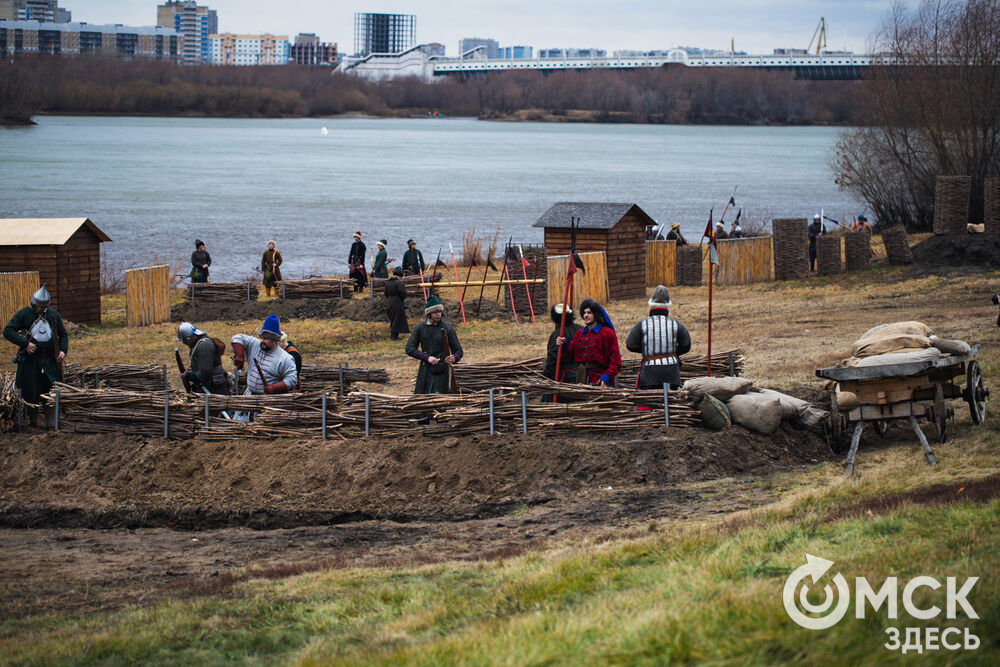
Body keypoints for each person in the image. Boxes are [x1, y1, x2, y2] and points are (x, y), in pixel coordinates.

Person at [3, 286, 67, 427]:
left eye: (41, 306)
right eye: (37, 305)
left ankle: (51, 424)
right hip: (30, 362)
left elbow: (62, 335)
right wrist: (25, 344)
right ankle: (33, 423)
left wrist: (62, 351)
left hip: (49, 361)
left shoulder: (53, 315)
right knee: (30, 391)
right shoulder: (24, 314)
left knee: (49, 390)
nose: (38, 308)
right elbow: (8, 331)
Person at [625, 285, 692, 389]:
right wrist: (672, 352)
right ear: (668, 306)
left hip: (649, 373)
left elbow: (630, 345)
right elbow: (686, 345)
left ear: (651, 305)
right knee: (672, 403)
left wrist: (648, 350)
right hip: (672, 372)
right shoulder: (675, 324)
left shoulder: (642, 324)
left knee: (648, 403)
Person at [555, 298, 621, 387]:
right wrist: (563, 345)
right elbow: (570, 356)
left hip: (600, 380)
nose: (585, 315)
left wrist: (606, 377)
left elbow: (616, 362)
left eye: (589, 313)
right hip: (582, 378)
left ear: (596, 315)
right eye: (584, 313)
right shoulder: (579, 334)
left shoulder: (607, 333)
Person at [405, 295, 463, 394]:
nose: (438, 314)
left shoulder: (447, 328)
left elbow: (459, 351)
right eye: (435, 312)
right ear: (429, 313)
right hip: (425, 369)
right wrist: (427, 358)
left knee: (441, 400)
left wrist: (454, 357)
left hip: (442, 370)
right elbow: (409, 349)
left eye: (440, 312)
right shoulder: (420, 327)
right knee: (422, 401)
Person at [231, 315, 298, 396]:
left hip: (268, 401)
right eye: (261, 337)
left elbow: (292, 379)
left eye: (266, 339)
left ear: (274, 340)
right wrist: (239, 356)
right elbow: (237, 338)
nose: (262, 341)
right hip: (249, 396)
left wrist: (273, 388)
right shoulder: (254, 344)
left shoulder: (285, 358)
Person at [176, 322, 231, 395]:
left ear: (188, 338)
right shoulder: (200, 344)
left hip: (214, 386)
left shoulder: (204, 345)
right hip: (209, 384)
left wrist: (188, 376)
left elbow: (205, 371)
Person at [385, 266, 410, 340]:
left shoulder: (388, 282)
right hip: (397, 302)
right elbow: (403, 293)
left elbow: (385, 293)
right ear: (400, 275)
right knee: (397, 318)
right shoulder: (399, 283)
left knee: (393, 318)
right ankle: (394, 336)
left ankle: (394, 335)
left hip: (389, 301)